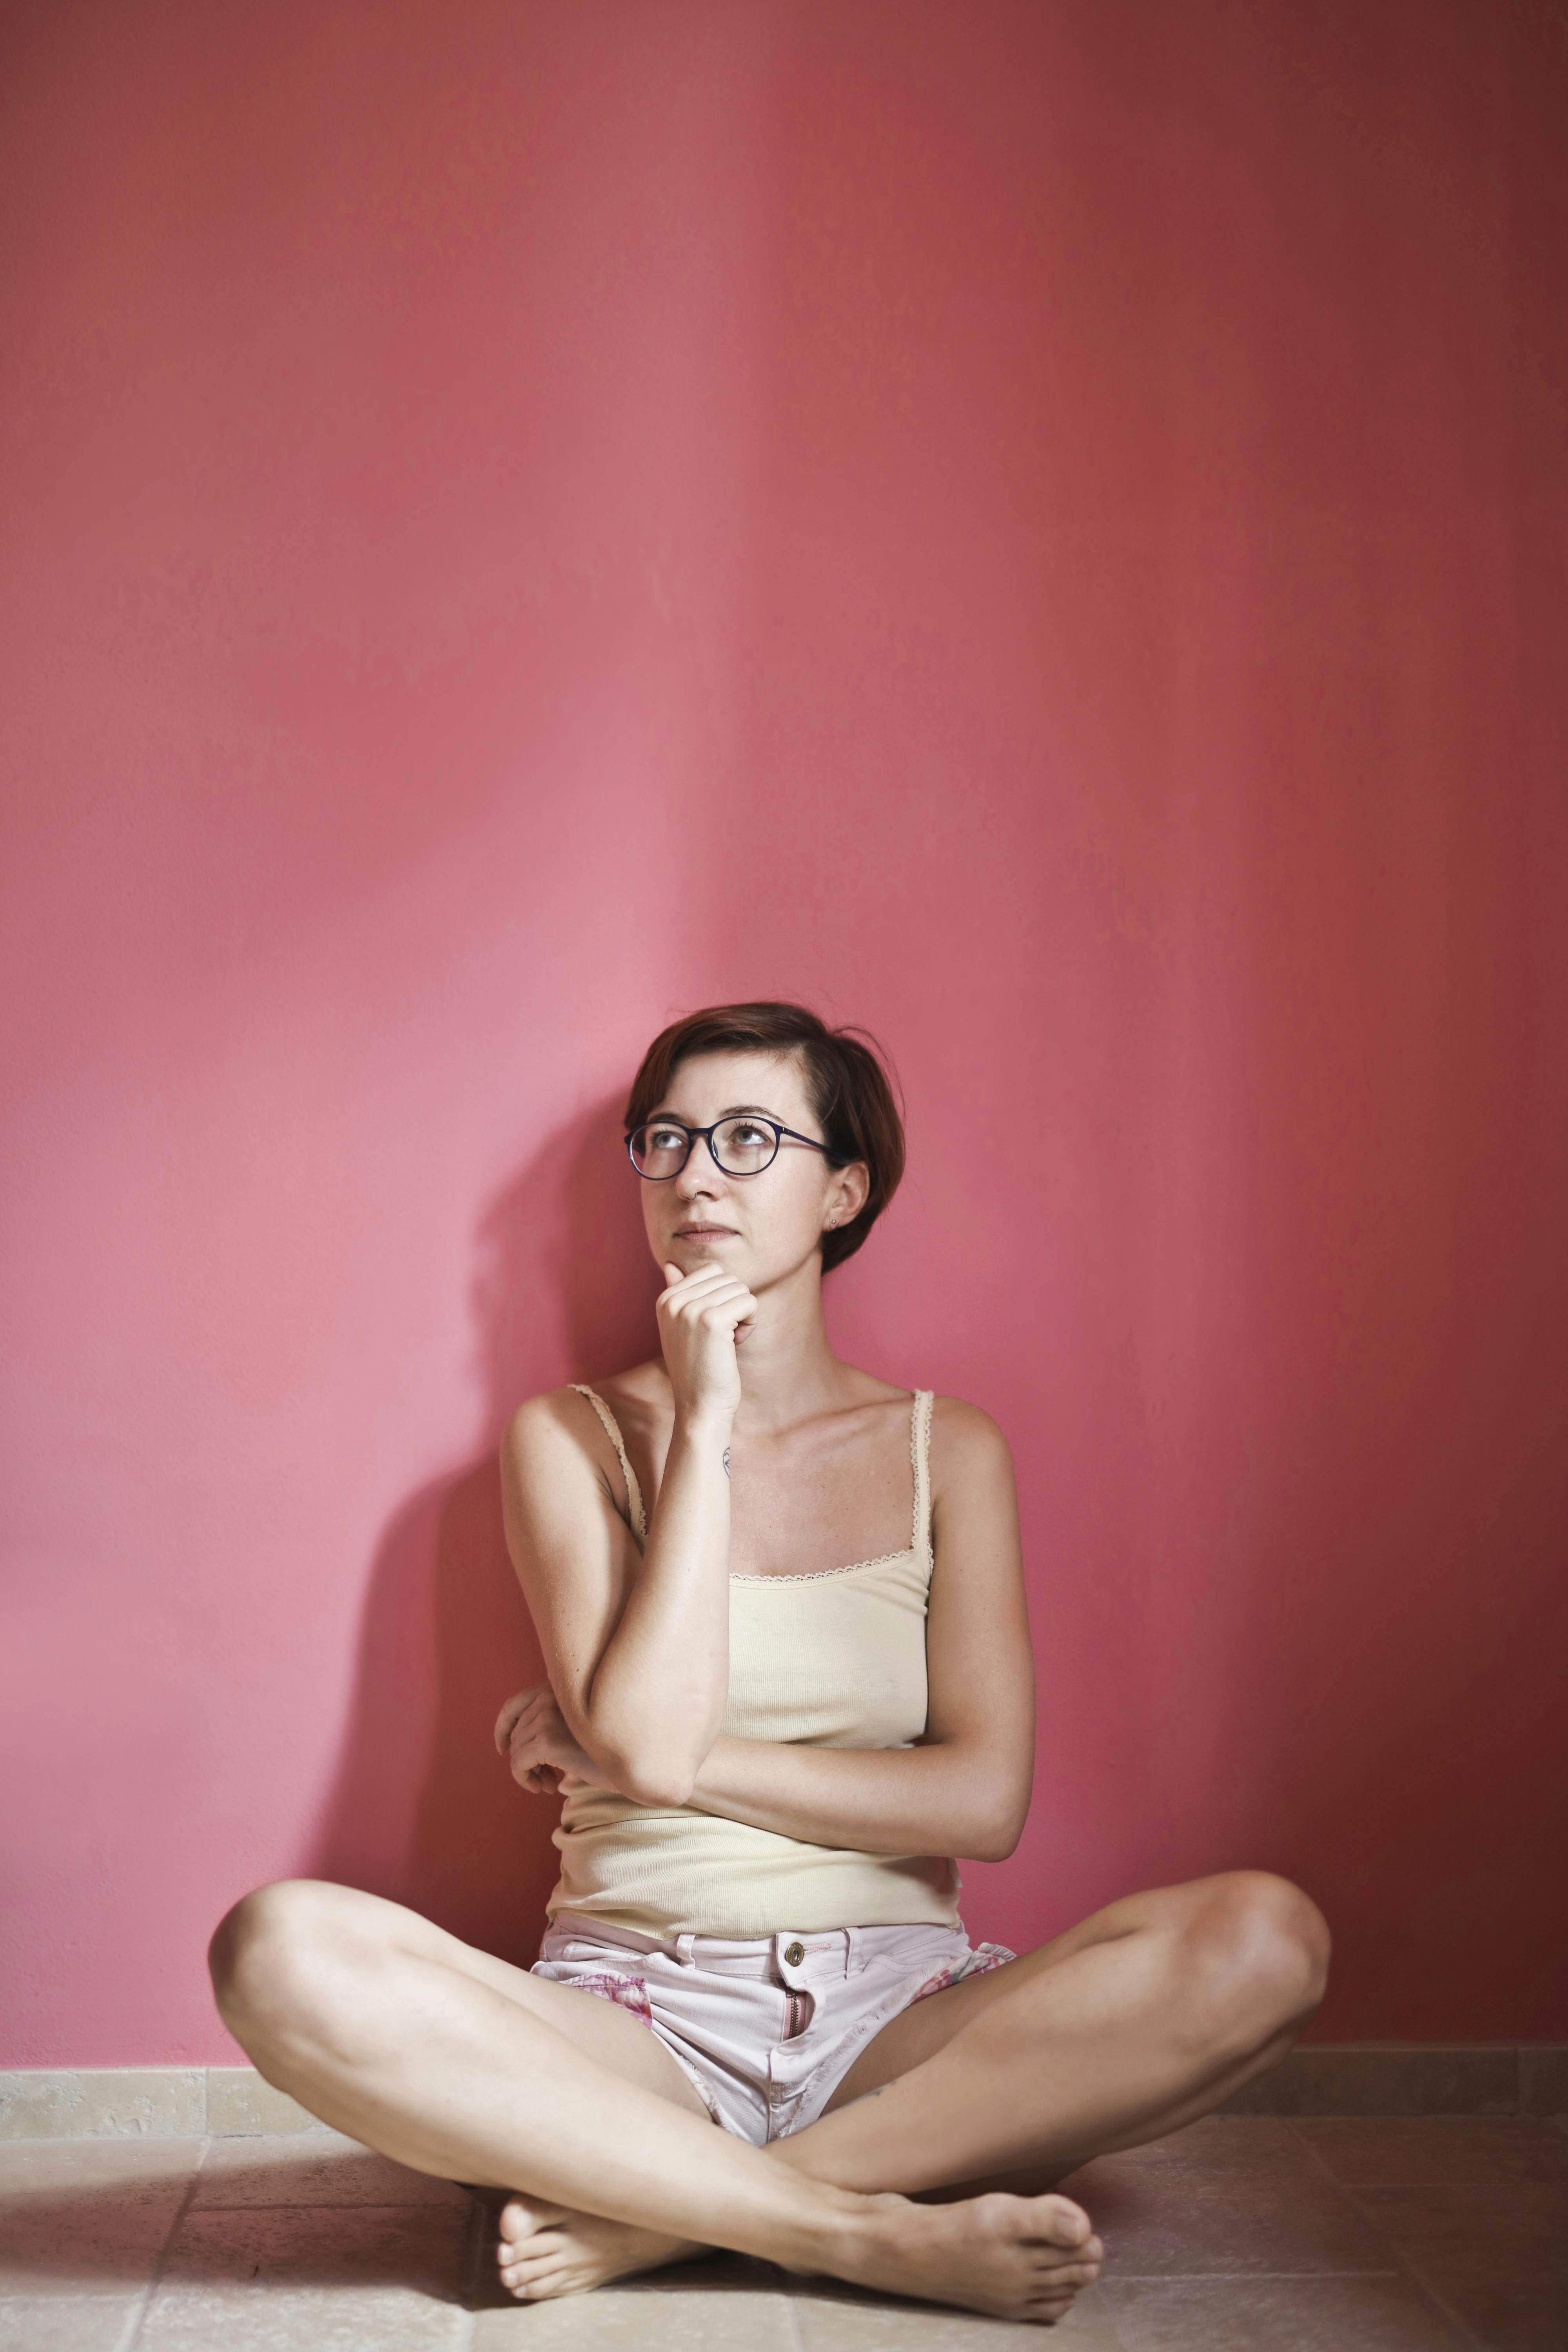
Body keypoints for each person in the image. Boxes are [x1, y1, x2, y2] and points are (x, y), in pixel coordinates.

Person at [208, 1000, 1330, 2327]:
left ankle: (664, 2219)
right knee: (276, 1950)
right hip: (631, 2027)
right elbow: (645, 1738)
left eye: (748, 1137)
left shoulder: (946, 1450)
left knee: (1265, 1940)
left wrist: (658, 1761)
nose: (695, 1173)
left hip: (901, 2030)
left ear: (842, 1188)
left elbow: (980, 1804)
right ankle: (851, 2233)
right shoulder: (567, 1439)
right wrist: (710, 1425)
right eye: (668, 1139)